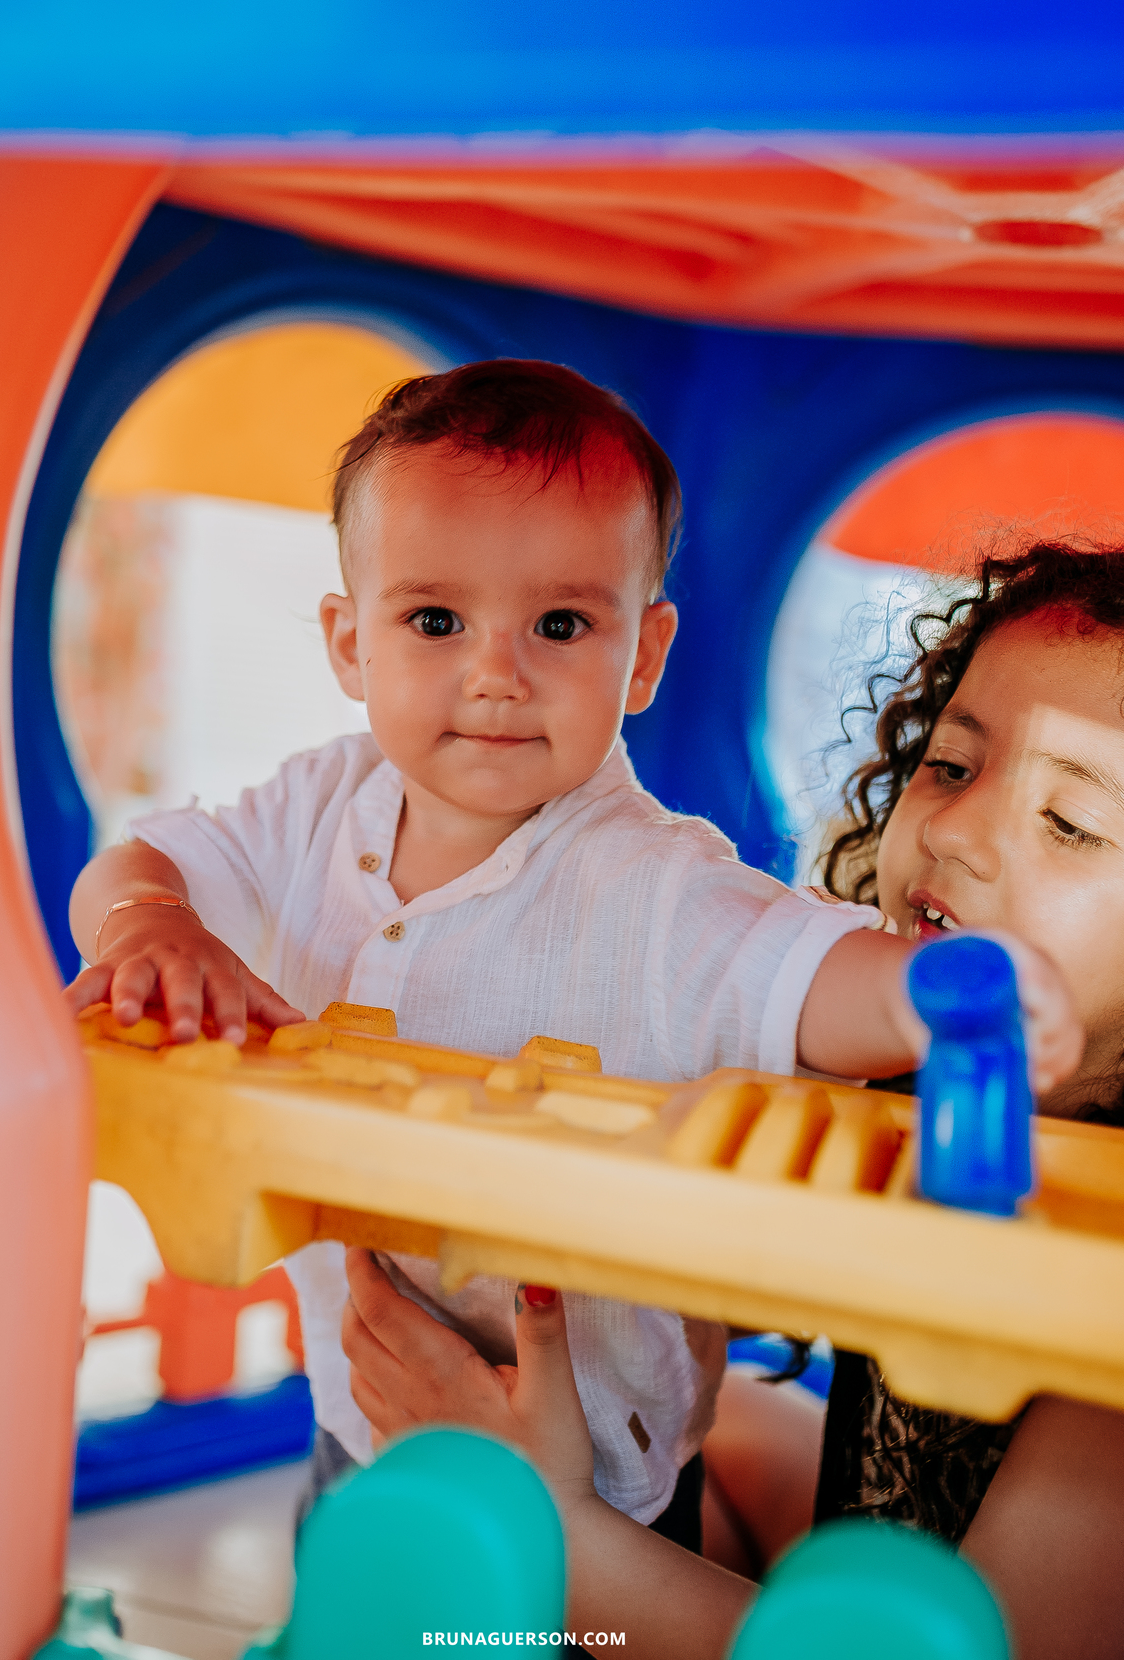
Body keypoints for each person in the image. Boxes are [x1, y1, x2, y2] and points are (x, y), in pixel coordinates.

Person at [63, 364, 1079, 1552]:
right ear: (351, 642)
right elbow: (146, 864)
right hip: (367, 1407)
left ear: (643, 658)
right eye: (436, 621)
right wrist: (150, 925)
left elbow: (805, 978)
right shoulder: (309, 808)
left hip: (606, 1489)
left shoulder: (654, 887)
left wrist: (938, 995)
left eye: (560, 625)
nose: (498, 672)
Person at [341, 542, 1124, 1660]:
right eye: (952, 766)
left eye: (1071, 824)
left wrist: (548, 1528)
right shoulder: (906, 1101)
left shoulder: (1112, 1341)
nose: (950, 830)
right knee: (733, 1428)